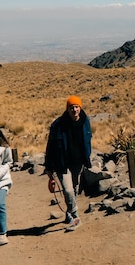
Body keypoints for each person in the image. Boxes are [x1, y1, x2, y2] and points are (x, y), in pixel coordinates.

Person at [44, 95, 92, 231]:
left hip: (78, 162)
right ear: (67, 109)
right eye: (71, 107)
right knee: (68, 189)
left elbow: (88, 140)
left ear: (80, 108)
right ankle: (75, 216)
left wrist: (87, 157)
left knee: (74, 188)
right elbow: (50, 146)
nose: (74, 110)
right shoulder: (58, 125)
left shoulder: (85, 121)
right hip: (62, 163)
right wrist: (48, 167)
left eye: (76, 107)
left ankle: (69, 212)